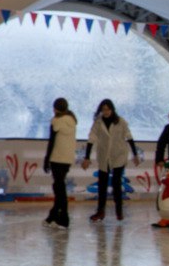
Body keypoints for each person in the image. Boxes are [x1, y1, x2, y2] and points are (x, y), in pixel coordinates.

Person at [81, 99, 139, 222]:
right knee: (102, 184)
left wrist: (135, 154)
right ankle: (100, 211)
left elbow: (129, 137)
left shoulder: (121, 121)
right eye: (103, 110)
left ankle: (119, 210)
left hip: (119, 155)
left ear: (112, 109)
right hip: (104, 156)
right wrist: (87, 157)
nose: (106, 112)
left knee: (116, 183)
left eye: (108, 109)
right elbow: (91, 138)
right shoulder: (98, 122)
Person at [42, 97, 78, 229]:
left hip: (57, 158)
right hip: (67, 158)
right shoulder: (72, 121)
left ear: (55, 109)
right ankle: (52, 216)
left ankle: (64, 218)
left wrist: (47, 159)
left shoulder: (56, 121)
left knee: (59, 188)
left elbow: (52, 142)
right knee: (59, 187)